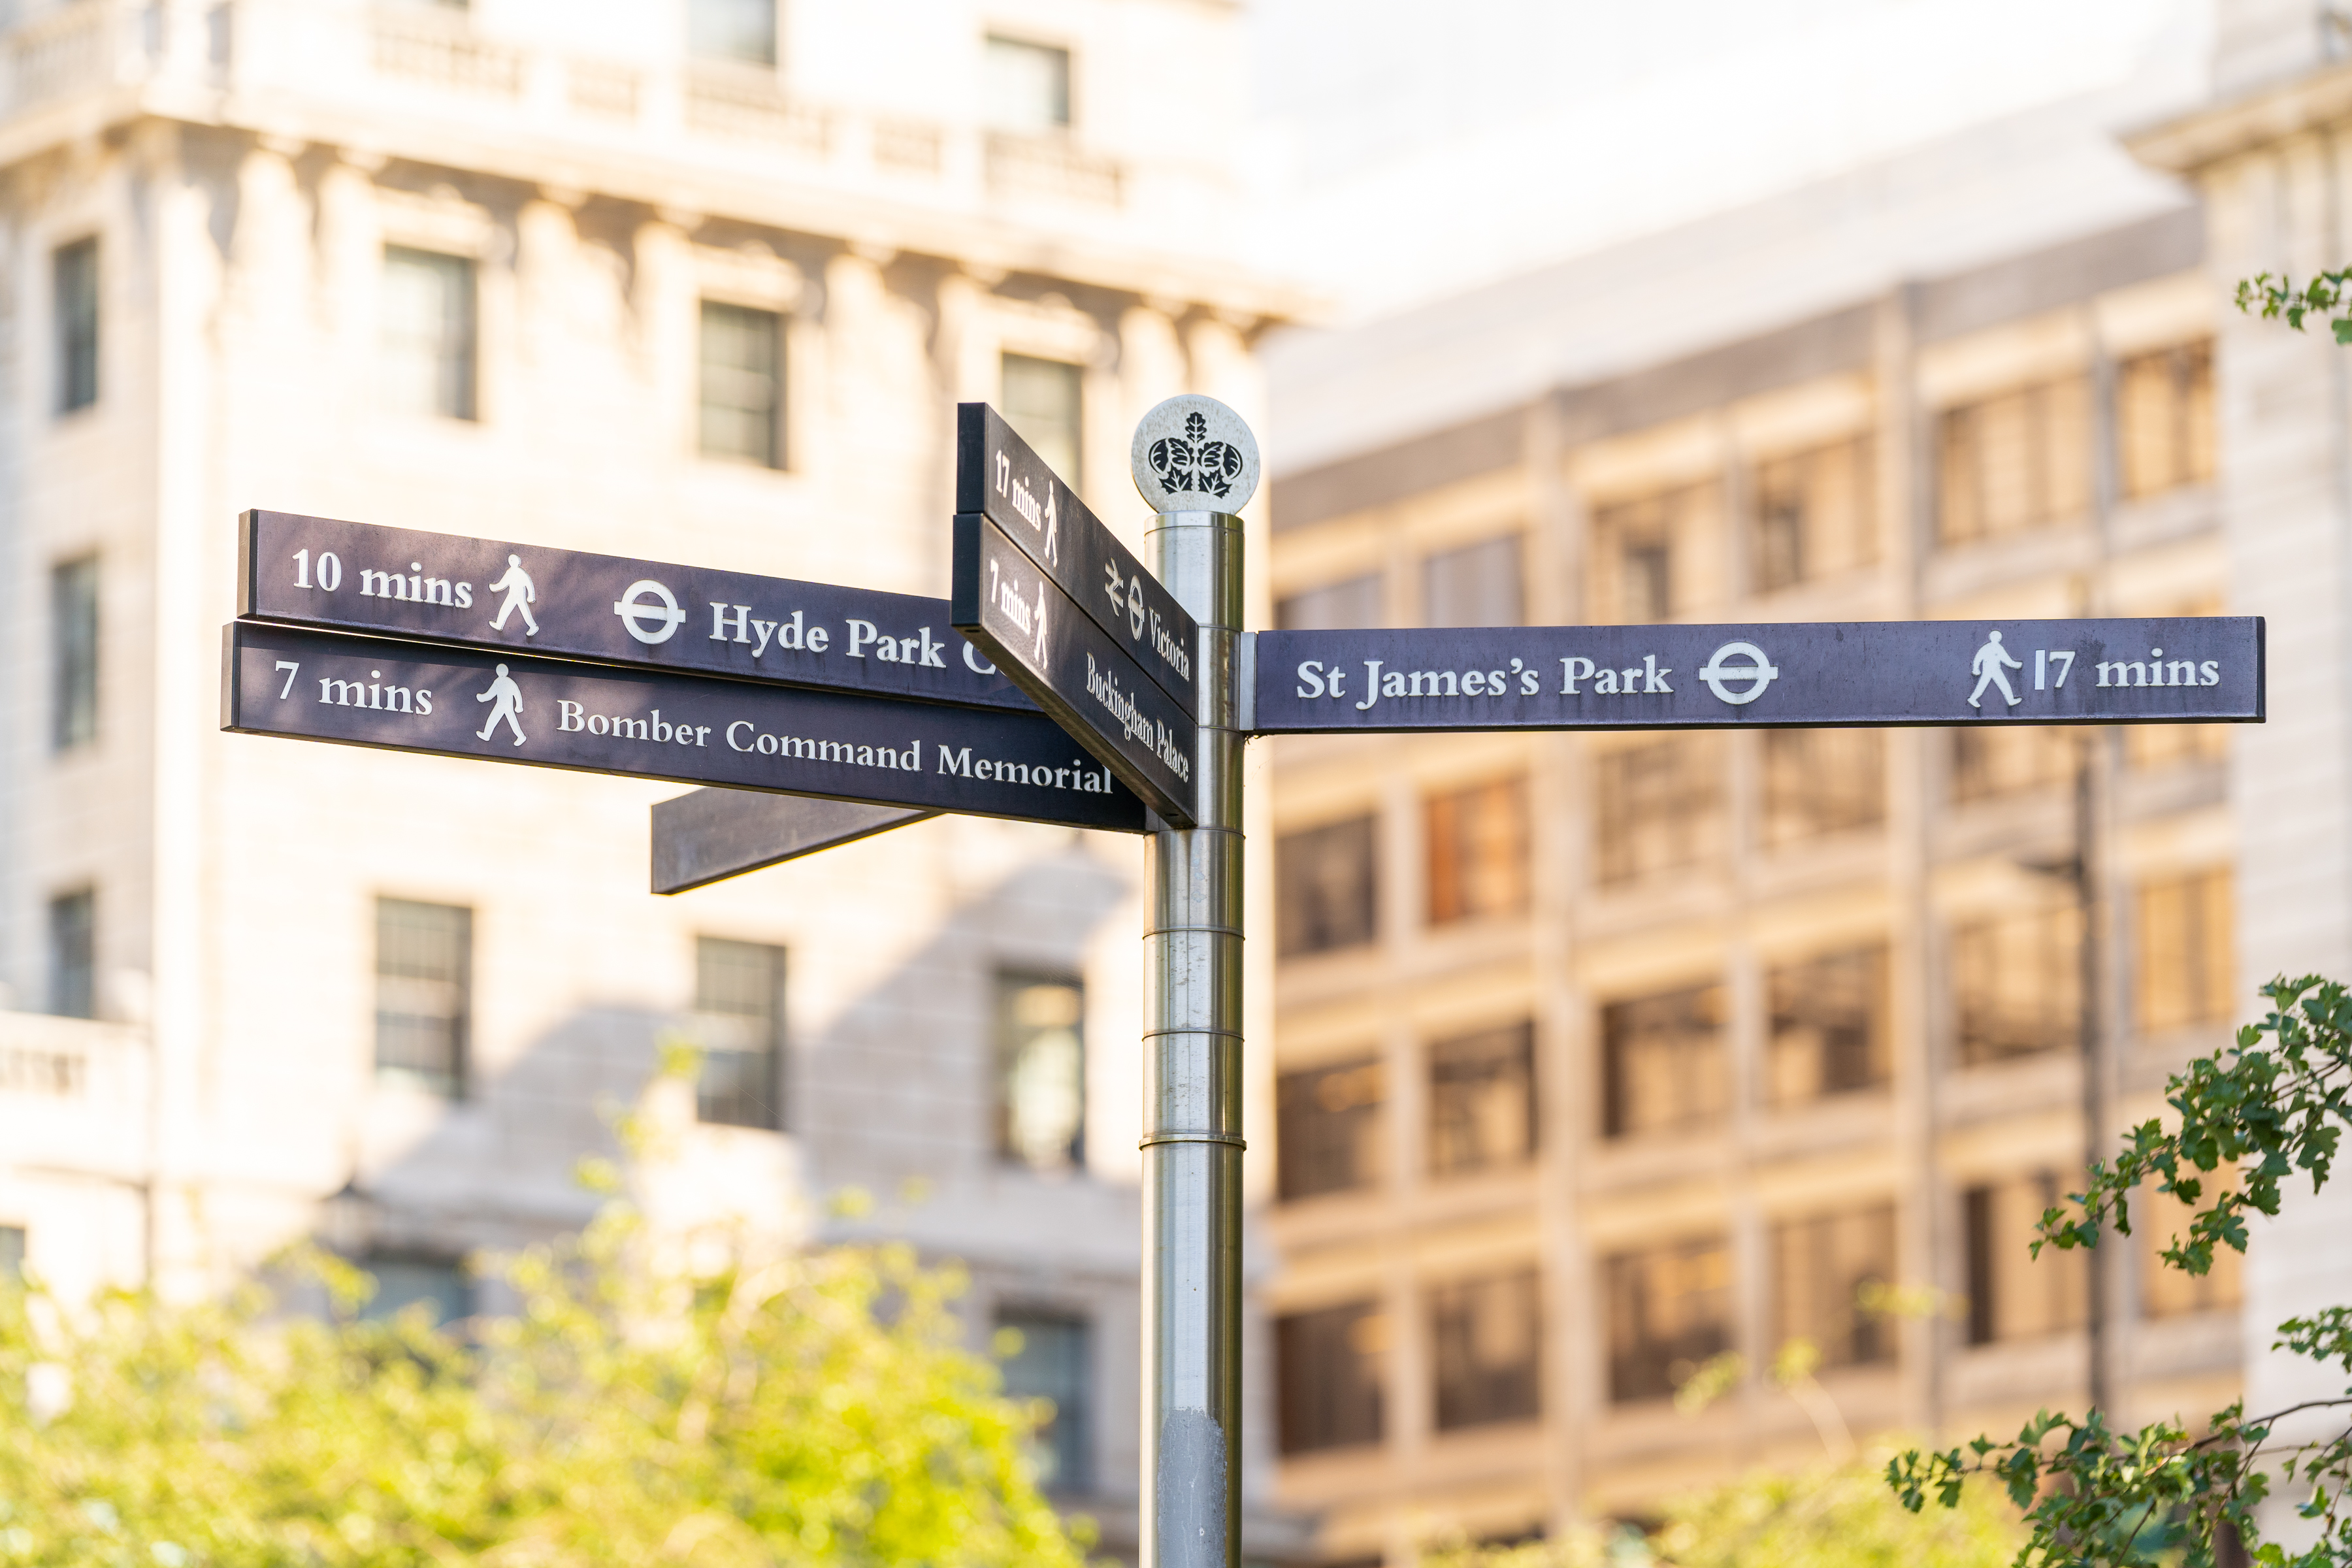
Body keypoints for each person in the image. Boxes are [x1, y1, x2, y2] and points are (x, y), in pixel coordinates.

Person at [1968, 629, 2023, 709]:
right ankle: (1973, 699)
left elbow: (2006, 660)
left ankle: (2010, 700)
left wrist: (2016, 665)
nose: (1997, 638)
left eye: (1998, 637)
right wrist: (1975, 669)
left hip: (1996, 670)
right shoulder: (1988, 647)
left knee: (2002, 684)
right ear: (1991, 637)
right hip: (1990, 671)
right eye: (1995, 637)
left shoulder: (1998, 648)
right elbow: (1978, 658)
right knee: (1985, 685)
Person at [487, 553, 539, 636]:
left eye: (514, 560)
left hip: (519, 595)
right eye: (511, 560)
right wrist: (494, 588)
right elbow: (503, 583)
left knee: (525, 611)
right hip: (512, 595)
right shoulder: (510, 572)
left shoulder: (521, 573)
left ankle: (533, 627)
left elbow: (529, 584)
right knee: (505, 608)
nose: (512, 562)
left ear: (518, 562)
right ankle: (499, 624)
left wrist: (531, 596)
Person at [476, 663, 525, 745]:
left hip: (503, 706)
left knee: (509, 721)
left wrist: (482, 698)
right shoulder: (507, 682)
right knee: (496, 720)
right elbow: (517, 694)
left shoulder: (499, 681)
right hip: (503, 706)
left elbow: (490, 694)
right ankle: (486, 735)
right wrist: (519, 706)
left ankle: (521, 737)